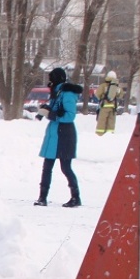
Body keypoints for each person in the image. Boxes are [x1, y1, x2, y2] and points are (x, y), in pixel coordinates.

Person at [34, 67, 83, 207]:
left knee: (65, 167)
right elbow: (54, 109)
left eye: (51, 78)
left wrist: (53, 115)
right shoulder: (57, 92)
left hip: (64, 135)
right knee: (47, 167)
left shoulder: (66, 94)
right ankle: (42, 197)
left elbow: (70, 116)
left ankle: (75, 197)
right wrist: (46, 110)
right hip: (55, 133)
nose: (50, 82)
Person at [94, 70, 120, 136]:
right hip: (113, 107)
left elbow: (97, 94)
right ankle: (110, 135)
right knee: (111, 122)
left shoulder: (103, 86)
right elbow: (120, 94)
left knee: (102, 122)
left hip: (104, 106)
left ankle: (99, 135)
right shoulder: (117, 87)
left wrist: (102, 98)